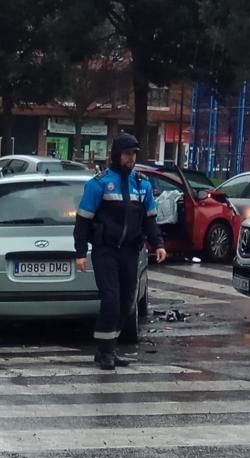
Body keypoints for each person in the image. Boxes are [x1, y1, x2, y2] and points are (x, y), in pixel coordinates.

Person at [73, 133, 167, 371]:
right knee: (111, 300)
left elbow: (150, 220)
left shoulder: (142, 184)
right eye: (127, 154)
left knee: (126, 302)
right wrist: (81, 252)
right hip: (105, 251)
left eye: (134, 154)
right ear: (116, 155)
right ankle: (104, 352)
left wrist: (159, 244)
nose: (131, 159)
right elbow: (83, 221)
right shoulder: (100, 183)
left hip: (129, 251)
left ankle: (110, 347)